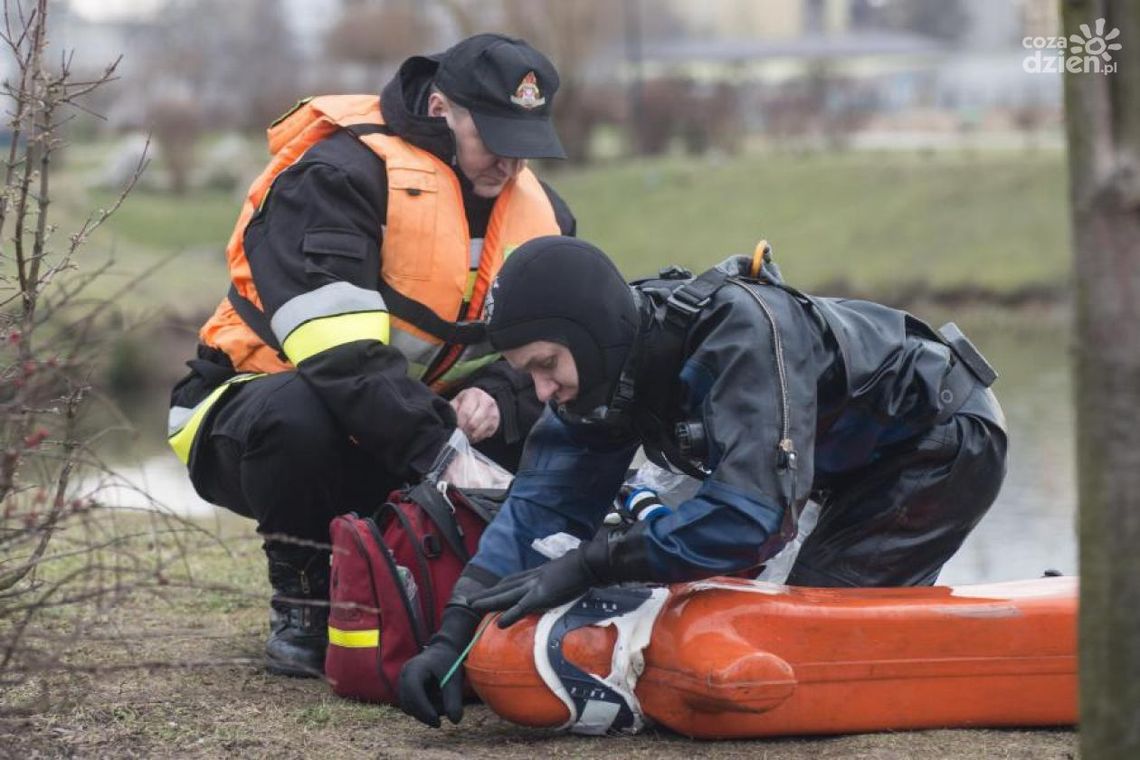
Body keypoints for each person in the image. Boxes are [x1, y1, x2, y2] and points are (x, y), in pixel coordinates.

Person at [398, 235, 1008, 728]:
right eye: (527, 373)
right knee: (762, 606)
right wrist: (452, 633)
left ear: (588, 335)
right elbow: (539, 509)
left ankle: (989, 653)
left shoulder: (738, 336)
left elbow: (751, 517)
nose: (541, 390)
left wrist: (593, 562)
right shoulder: (605, 373)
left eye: (546, 365)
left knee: (801, 645)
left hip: (938, 438)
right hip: (835, 462)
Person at [166, 34, 577, 678]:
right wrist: (441, 449)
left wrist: (499, 394)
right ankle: (304, 598)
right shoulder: (334, 178)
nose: (509, 164)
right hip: (255, 415)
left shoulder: (545, 213)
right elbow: (338, 353)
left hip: (402, 424)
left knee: (553, 416)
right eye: (494, 138)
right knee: (297, 414)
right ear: (441, 108)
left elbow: (562, 344)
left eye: (525, 145)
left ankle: (468, 591)